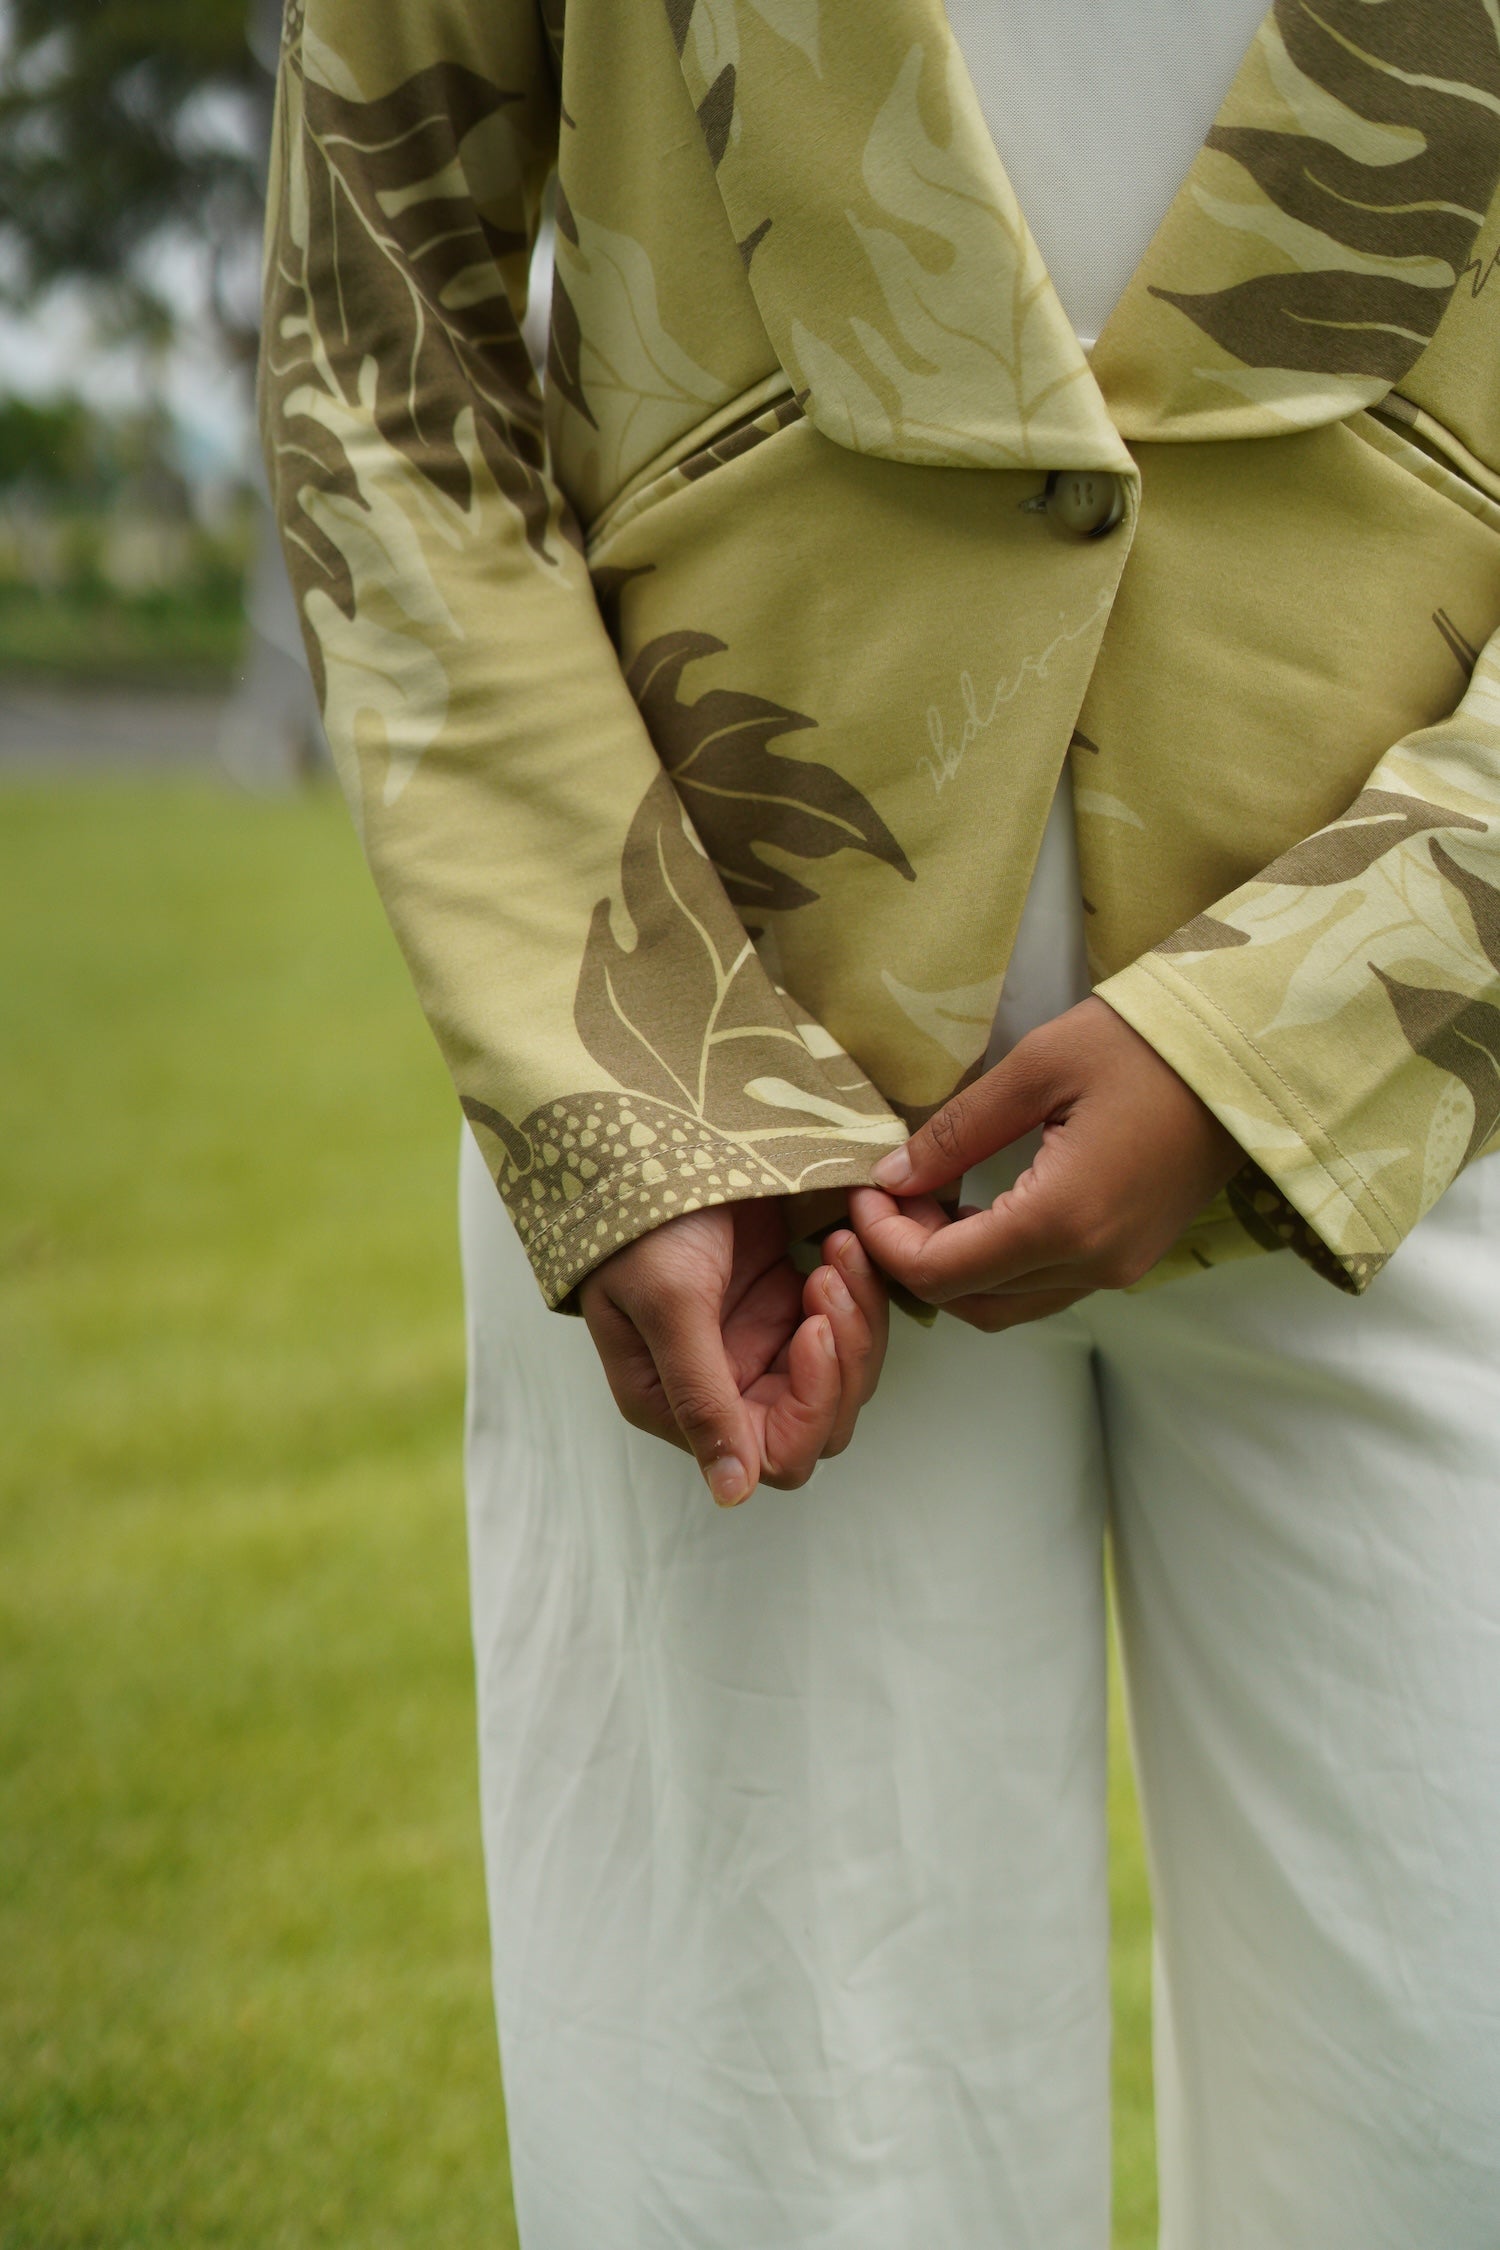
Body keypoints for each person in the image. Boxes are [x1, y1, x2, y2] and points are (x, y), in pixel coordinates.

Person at [259, 1, 1500, 2241]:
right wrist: (638, 1090)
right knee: (776, 2174)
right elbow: (375, 310)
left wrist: (1313, 1029)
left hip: (1440, 1135)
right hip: (747, 1200)